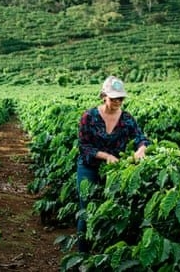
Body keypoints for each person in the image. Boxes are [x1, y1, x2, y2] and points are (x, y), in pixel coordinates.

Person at [76, 75, 151, 253]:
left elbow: (141, 138)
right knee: (86, 209)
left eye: (120, 98)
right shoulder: (89, 116)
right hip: (90, 167)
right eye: (113, 98)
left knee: (113, 208)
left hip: (115, 169)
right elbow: (84, 147)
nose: (118, 101)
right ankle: (83, 254)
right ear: (104, 96)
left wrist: (141, 149)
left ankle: (105, 252)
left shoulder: (127, 119)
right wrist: (106, 156)